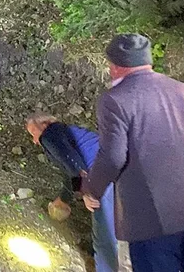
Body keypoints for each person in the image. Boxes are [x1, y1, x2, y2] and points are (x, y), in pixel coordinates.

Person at [81, 34, 184, 272]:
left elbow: (113, 157)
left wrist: (92, 190)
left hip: (154, 216)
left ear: (116, 66)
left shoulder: (115, 100)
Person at [25, 113, 118, 272]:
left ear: (45, 124)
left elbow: (72, 161)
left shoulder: (50, 134)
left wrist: (88, 192)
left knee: (103, 237)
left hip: (102, 176)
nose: (35, 140)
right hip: (118, 171)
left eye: (33, 133)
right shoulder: (66, 132)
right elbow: (70, 173)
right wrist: (63, 199)